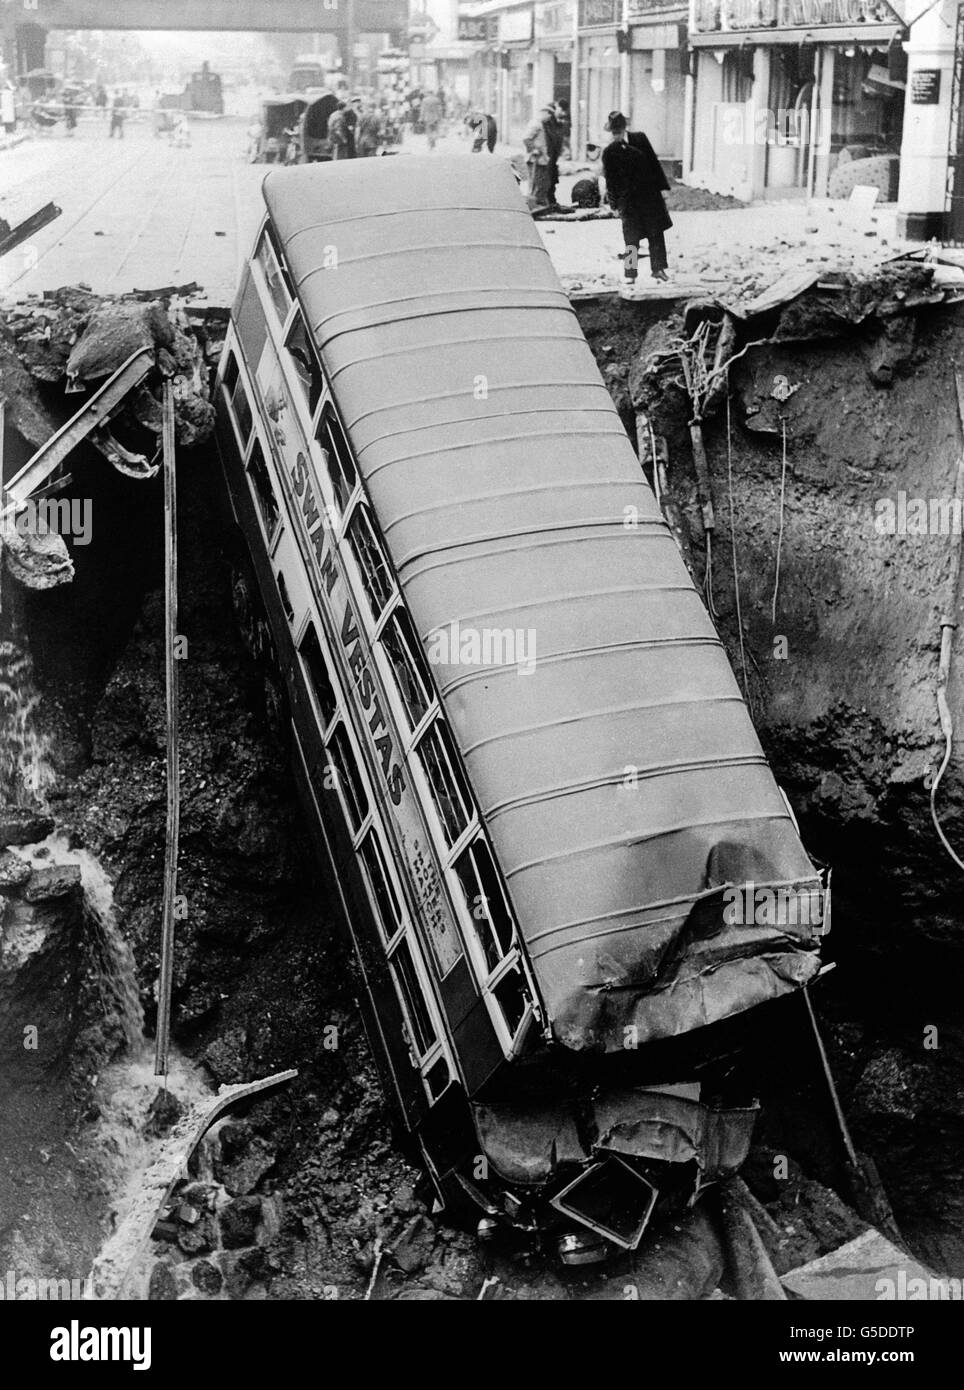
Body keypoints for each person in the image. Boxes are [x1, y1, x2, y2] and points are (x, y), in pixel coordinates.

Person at [601, 110, 672, 285]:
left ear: (624, 129)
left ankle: (658, 269)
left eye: (618, 132)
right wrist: (614, 204)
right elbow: (610, 180)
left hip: (649, 196)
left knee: (656, 233)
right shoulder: (609, 152)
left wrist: (663, 188)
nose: (616, 136)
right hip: (628, 201)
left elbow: (654, 163)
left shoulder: (640, 139)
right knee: (631, 238)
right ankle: (630, 273)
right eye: (614, 133)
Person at [523, 104, 561, 208]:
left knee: (544, 182)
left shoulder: (541, 124)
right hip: (536, 159)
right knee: (539, 183)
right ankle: (536, 204)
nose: (550, 118)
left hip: (542, 159)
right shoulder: (536, 124)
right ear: (545, 113)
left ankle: (540, 203)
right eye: (550, 115)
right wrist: (534, 149)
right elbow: (526, 139)